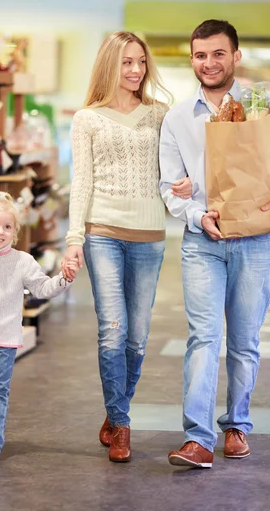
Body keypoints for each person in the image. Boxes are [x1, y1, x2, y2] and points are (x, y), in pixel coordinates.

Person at [159, 19, 270, 469]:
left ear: (236, 57)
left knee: (245, 340)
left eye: (218, 54)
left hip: (257, 241)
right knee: (204, 338)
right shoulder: (176, 118)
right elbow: (169, 186)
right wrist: (195, 214)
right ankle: (197, 438)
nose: (208, 63)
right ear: (192, 59)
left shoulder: (262, 106)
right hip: (201, 242)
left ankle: (237, 426)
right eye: (200, 55)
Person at [62, 31, 191, 463]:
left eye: (140, 62)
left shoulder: (161, 115)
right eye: (126, 63)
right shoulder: (88, 119)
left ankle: (115, 409)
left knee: (137, 336)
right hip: (103, 233)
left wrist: (186, 187)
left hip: (150, 235)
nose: (135, 70)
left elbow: (177, 170)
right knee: (112, 331)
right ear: (109, 65)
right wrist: (73, 240)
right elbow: (81, 181)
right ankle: (121, 424)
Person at [0, 191, 79, 462]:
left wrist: (63, 279)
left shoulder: (22, 262)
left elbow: (42, 288)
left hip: (6, 340)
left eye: (7, 227)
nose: (0, 232)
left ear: (15, 232)